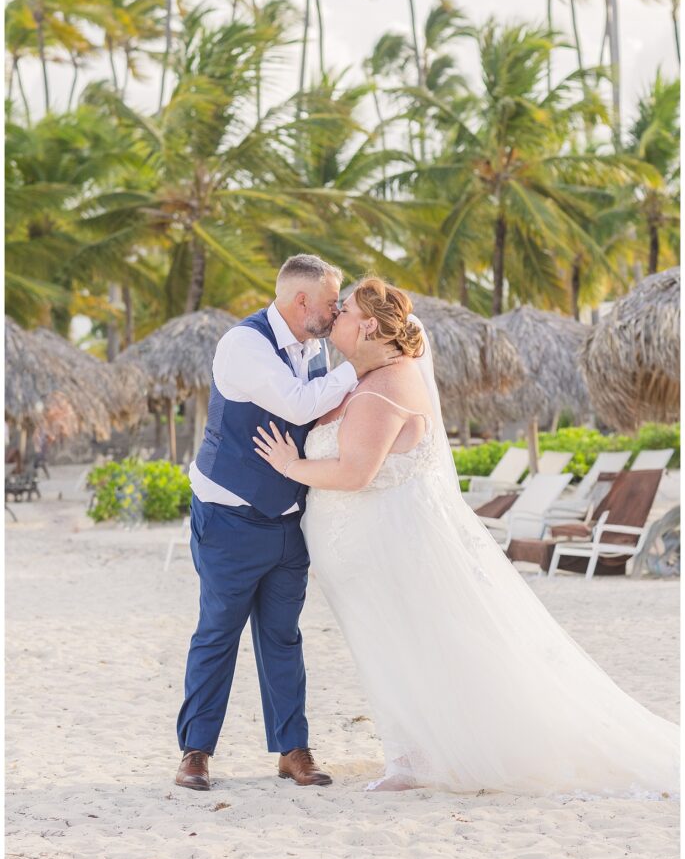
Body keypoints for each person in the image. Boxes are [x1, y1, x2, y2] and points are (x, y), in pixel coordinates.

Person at [254, 277, 680, 797]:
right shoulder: (373, 378)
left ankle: (416, 760)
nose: (335, 315)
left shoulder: (383, 389)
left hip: (385, 550)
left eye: (344, 310)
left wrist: (290, 464)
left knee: (406, 647)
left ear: (367, 326)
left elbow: (355, 473)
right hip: (369, 550)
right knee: (397, 648)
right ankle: (414, 755)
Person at [175, 255, 400, 791]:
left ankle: (292, 750)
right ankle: (196, 752)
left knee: (283, 637)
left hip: (289, 519)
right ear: (302, 302)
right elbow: (299, 406)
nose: (337, 309)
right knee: (217, 634)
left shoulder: (317, 346)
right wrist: (362, 361)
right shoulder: (243, 345)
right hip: (230, 515)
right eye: (331, 302)